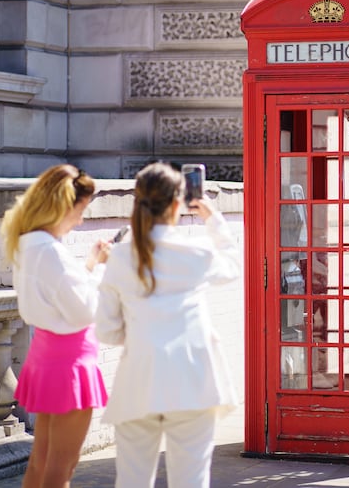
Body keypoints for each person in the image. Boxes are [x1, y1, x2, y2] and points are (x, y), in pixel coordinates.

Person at [96, 162, 240, 488]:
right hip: (192, 381)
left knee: (132, 481)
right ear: (178, 204)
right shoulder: (197, 250)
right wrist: (212, 218)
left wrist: (141, 335)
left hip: (138, 379)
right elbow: (232, 266)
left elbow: (106, 330)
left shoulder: (120, 256)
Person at [0, 165, 110, 488]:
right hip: (70, 367)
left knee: (41, 463)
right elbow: (86, 311)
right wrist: (102, 271)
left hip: (47, 360)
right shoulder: (51, 253)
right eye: (81, 210)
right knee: (62, 469)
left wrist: (89, 264)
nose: (81, 220)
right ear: (62, 206)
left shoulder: (27, 244)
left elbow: (59, 298)